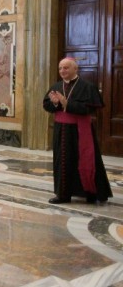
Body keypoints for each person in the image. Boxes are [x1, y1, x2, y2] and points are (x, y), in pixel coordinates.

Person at [43, 57, 112, 205]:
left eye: (66, 68)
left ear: (75, 69)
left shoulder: (87, 86)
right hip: (61, 130)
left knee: (86, 160)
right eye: (60, 68)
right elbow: (46, 105)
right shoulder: (56, 86)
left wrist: (67, 103)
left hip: (80, 130)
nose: (62, 71)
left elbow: (90, 108)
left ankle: (91, 193)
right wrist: (55, 103)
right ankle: (63, 194)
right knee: (62, 161)